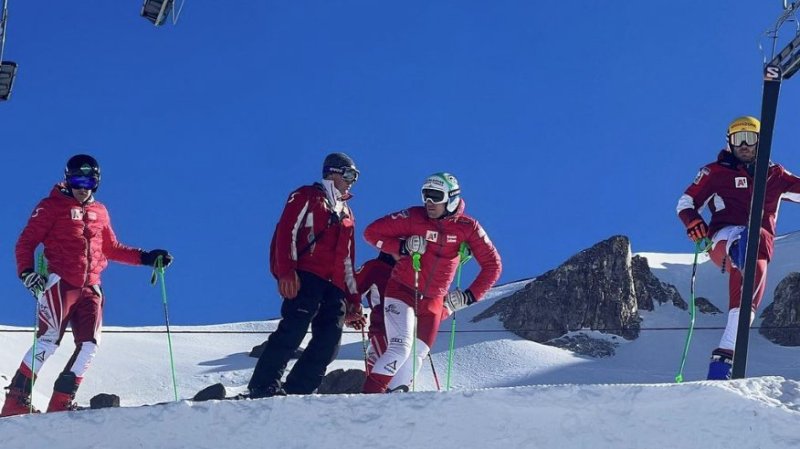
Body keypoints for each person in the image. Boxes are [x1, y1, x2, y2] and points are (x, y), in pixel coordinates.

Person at [1, 154, 173, 416]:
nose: (83, 187)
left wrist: (147, 257)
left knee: (90, 344)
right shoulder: (50, 207)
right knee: (47, 341)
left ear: (97, 182)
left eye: (89, 181)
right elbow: (26, 242)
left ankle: (60, 402)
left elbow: (111, 248)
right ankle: (16, 402)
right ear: (68, 180)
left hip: (91, 286)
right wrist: (27, 273)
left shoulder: (100, 211)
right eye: (78, 180)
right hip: (61, 282)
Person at [677, 116, 800, 380]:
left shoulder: (775, 175)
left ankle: (723, 359)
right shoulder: (715, 172)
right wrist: (693, 221)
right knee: (748, 236)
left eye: (750, 139)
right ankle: (741, 250)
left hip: (759, 248)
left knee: (749, 293)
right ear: (729, 143)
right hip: (723, 239)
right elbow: (686, 202)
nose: (744, 145)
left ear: (760, 142)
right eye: (738, 140)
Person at [361, 172, 502, 393]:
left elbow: (493, 265)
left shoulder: (468, 227)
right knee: (399, 348)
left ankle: (390, 409)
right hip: (402, 291)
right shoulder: (414, 217)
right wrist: (402, 246)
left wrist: (470, 296)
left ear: (452, 198)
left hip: (433, 303)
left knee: (415, 357)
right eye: (425, 195)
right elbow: (371, 232)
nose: (429, 202)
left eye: (436, 196)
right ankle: (366, 400)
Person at [247, 152, 362, 398]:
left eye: (355, 176)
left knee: (329, 343)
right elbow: (286, 232)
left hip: (336, 287)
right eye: (350, 174)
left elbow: (348, 260)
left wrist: (353, 300)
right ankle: (263, 386)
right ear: (333, 172)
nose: (353, 181)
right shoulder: (307, 196)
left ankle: (298, 389)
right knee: (293, 330)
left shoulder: (348, 214)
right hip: (307, 276)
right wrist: (286, 271)